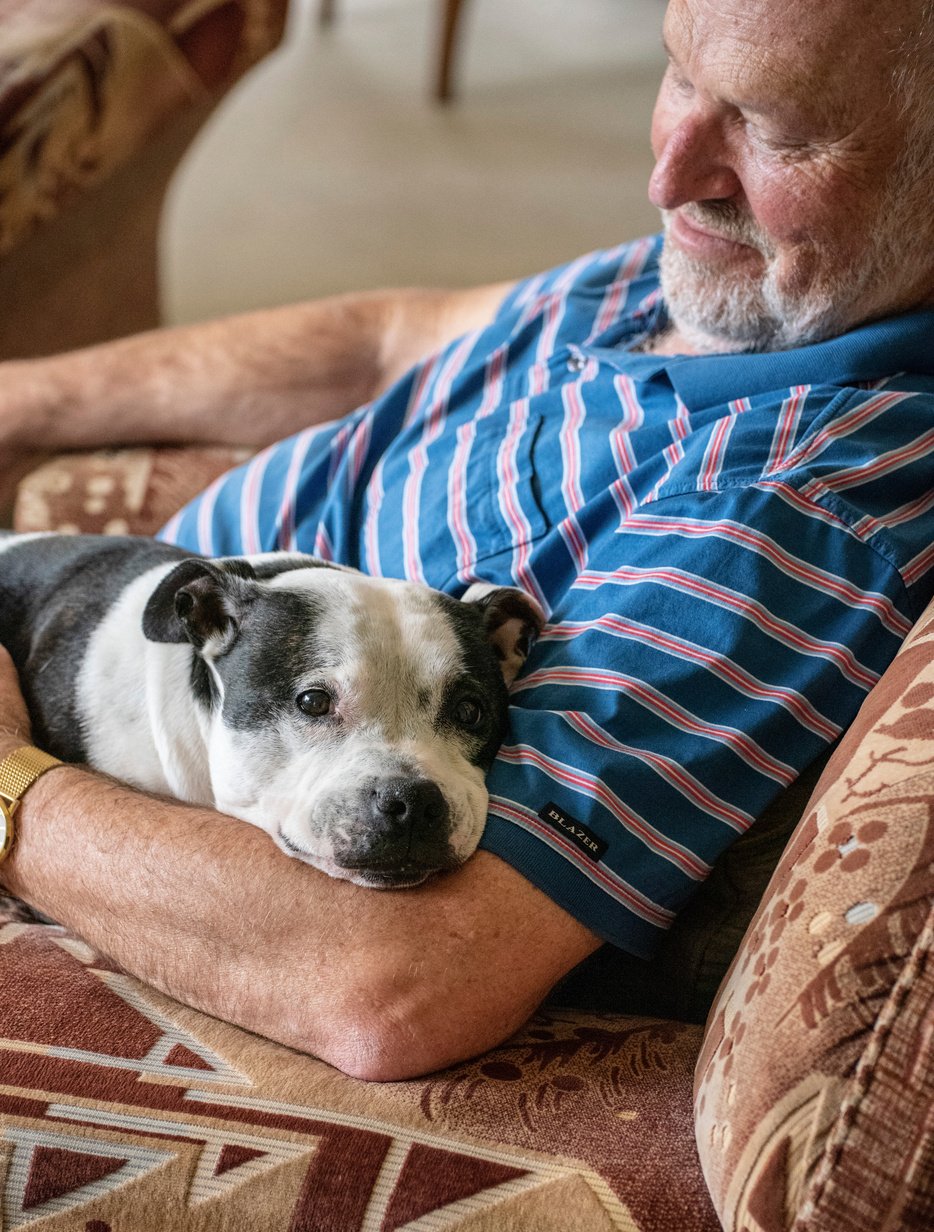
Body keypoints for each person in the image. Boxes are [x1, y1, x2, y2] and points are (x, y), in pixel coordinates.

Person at [1, 0, 933, 1080]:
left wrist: (12, 786)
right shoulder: (729, 282)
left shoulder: (801, 512)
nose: (670, 178)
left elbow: (390, 984)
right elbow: (382, 340)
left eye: (774, 131)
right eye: (681, 79)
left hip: (115, 778)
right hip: (106, 622)